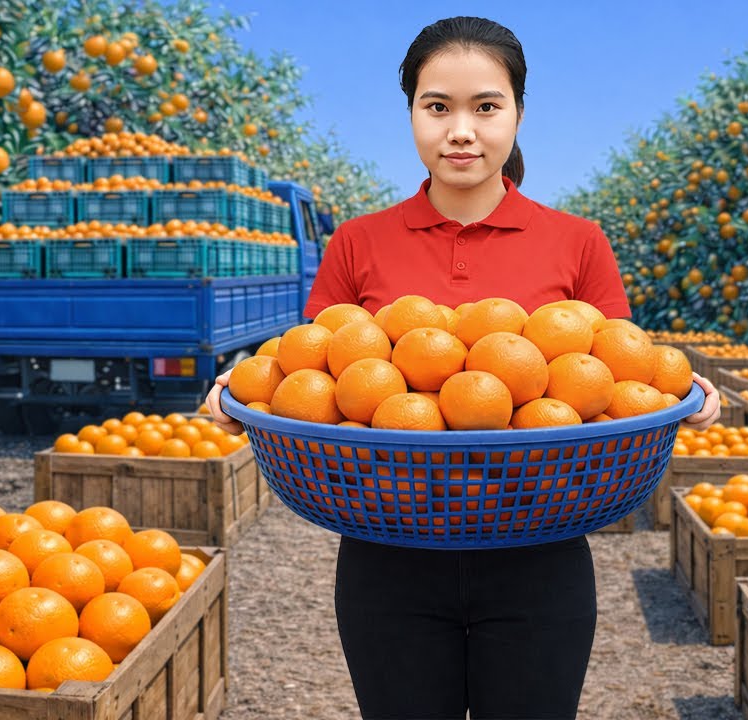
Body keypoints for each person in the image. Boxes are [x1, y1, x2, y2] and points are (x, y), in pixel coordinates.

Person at [205, 16, 721, 720]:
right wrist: (241, 390)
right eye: (437, 106)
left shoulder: (578, 242)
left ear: (517, 115)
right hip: (387, 551)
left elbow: (621, 378)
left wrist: (687, 390)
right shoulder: (359, 242)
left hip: (541, 552)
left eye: (486, 107)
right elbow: (307, 374)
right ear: (411, 114)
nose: (461, 131)